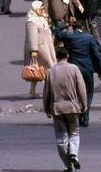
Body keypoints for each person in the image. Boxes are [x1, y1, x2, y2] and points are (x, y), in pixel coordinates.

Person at [43, 43, 88, 172]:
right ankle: (74, 153)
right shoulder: (74, 69)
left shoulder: (51, 72)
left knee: (61, 136)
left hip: (57, 108)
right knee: (74, 132)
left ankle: (69, 165)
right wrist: (84, 104)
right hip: (73, 107)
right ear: (67, 55)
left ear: (56, 57)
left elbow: (46, 92)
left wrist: (46, 108)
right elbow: (81, 88)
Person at [54, 18, 101, 126]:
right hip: (87, 69)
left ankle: (76, 115)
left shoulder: (68, 36)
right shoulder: (89, 38)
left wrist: (64, 24)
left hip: (73, 68)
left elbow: (56, 33)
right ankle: (85, 116)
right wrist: (100, 70)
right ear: (82, 26)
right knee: (88, 92)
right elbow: (96, 55)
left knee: (75, 93)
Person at [24, 1, 55, 97]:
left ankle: (32, 92)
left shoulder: (41, 19)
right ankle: (52, 90)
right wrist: (34, 50)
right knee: (51, 68)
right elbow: (31, 36)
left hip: (47, 46)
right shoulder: (31, 21)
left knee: (37, 70)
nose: (42, 9)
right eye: (40, 8)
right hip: (40, 48)